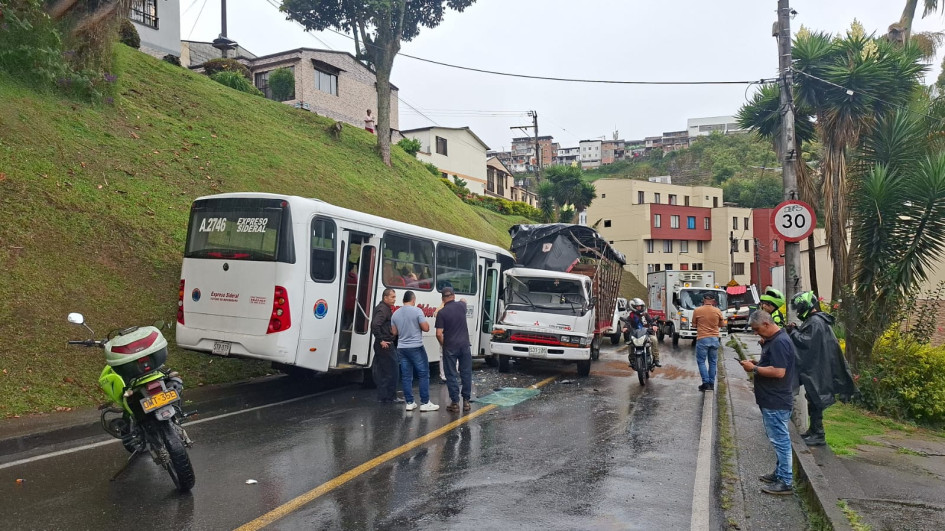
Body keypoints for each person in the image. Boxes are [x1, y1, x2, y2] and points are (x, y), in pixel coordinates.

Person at [787, 291, 858, 446]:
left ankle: (818, 434)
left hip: (817, 369)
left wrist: (793, 332)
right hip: (817, 367)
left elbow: (807, 343)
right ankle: (814, 431)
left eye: (799, 308)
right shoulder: (816, 321)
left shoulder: (815, 322)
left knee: (816, 400)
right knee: (813, 399)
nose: (798, 311)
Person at [739, 310, 797, 495]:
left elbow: (779, 372)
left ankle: (786, 481)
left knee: (780, 441)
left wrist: (754, 368)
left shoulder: (780, 342)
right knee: (778, 439)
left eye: (757, 329)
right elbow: (772, 364)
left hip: (776, 399)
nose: (756, 333)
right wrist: (757, 363)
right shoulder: (774, 340)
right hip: (771, 398)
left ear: (765, 324)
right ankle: (780, 474)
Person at [390, 291, 439, 412]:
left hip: (402, 347)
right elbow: (426, 328)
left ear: (403, 300)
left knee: (406, 376)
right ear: (413, 300)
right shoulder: (417, 311)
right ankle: (425, 402)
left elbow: (394, 332)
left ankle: (410, 402)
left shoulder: (395, 314)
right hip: (416, 347)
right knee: (423, 373)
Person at [435, 286, 473, 412]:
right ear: (453, 296)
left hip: (450, 347)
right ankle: (466, 402)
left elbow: (439, 334)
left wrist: (444, 344)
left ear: (443, 298)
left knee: (451, 374)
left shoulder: (442, 313)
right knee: (466, 373)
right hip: (465, 346)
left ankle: (455, 403)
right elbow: (463, 300)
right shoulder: (462, 306)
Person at [370, 288, 402, 403]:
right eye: (392, 297)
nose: (394, 299)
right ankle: (390, 397)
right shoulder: (383, 310)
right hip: (385, 345)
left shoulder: (383, 308)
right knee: (392, 371)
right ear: (385, 298)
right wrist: (381, 340)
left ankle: (383, 397)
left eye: (395, 297)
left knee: (383, 372)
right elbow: (375, 325)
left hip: (383, 344)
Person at [692, 292, 725, 391]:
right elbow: (722, 324)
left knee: (701, 361)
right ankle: (711, 383)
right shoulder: (717, 311)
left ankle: (705, 383)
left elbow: (694, 325)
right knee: (713, 362)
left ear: (703, 299)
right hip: (714, 338)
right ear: (713, 301)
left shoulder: (697, 310)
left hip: (702, 338)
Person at [620, 297, 661, 367]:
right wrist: (625, 327)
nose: (639, 308)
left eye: (640, 306)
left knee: (654, 340)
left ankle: (656, 359)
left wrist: (654, 325)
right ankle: (632, 359)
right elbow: (627, 322)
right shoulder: (631, 316)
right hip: (636, 334)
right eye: (638, 306)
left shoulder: (645, 314)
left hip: (647, 333)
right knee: (630, 344)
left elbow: (651, 320)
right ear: (633, 307)